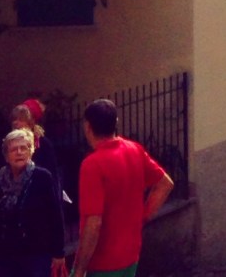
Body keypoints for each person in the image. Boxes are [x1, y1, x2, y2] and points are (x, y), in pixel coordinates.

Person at [69, 99, 173, 277]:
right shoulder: (134, 150)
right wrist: (143, 217)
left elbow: (94, 223)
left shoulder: (92, 165)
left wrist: (79, 269)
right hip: (130, 254)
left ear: (87, 127)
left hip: (102, 262)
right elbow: (165, 184)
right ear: (115, 123)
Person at [0, 128, 66, 277]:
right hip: (4, 256)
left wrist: (59, 252)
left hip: (36, 255)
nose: (19, 152)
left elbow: (55, 216)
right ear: (6, 156)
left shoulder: (42, 178)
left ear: (31, 152)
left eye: (23, 148)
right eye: (13, 149)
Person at [10, 101, 65, 213]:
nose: (16, 123)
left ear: (30, 122)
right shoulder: (8, 144)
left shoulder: (43, 144)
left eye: (20, 119)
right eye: (14, 119)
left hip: (38, 201)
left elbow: (52, 177)